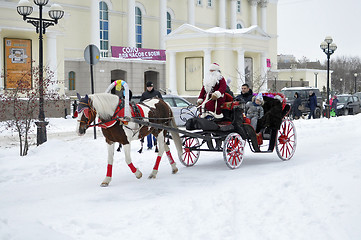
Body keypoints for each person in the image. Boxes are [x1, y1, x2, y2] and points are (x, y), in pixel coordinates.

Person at [140, 81, 163, 151]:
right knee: (148, 131)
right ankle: (149, 145)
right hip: (148, 115)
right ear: (146, 87)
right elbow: (141, 103)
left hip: (156, 115)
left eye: (150, 87)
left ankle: (155, 143)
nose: (149, 88)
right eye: (148, 87)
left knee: (155, 129)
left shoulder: (157, 93)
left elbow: (161, 101)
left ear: (152, 87)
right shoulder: (144, 94)